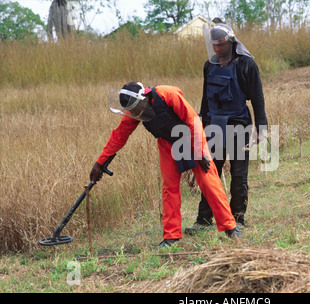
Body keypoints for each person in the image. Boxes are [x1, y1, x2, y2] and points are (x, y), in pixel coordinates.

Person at [90, 82, 242, 249]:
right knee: (170, 187)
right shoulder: (134, 110)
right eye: (132, 112)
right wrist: (100, 162)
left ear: (144, 98)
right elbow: (119, 136)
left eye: (136, 108)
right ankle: (171, 236)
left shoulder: (167, 95)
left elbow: (193, 121)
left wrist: (200, 153)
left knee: (208, 181)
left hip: (191, 137)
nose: (136, 114)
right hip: (168, 144)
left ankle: (230, 228)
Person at [185, 23, 268, 235]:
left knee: (239, 173)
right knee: (210, 172)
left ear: (231, 42)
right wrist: (200, 126)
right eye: (214, 45)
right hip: (213, 124)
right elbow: (205, 98)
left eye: (221, 45)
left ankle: (238, 218)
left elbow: (257, 98)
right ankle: (204, 219)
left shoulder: (246, 64)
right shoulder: (209, 65)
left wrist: (261, 128)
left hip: (238, 123)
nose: (217, 49)